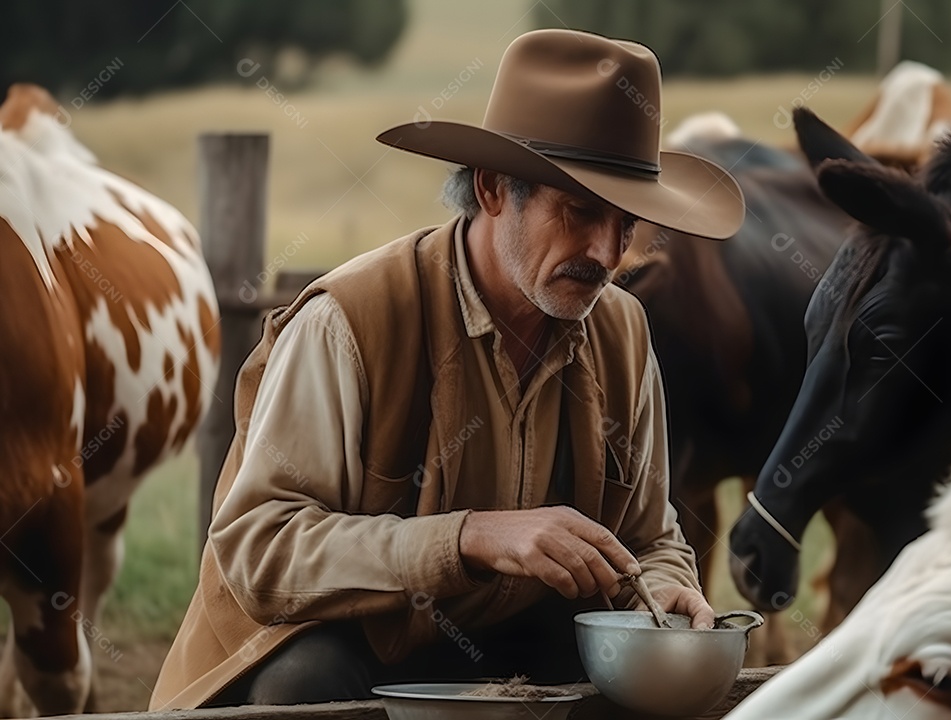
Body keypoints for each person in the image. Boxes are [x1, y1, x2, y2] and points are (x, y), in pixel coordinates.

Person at [150, 27, 745, 709]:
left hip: (512, 638)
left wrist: (667, 585)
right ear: (494, 189)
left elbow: (649, 532)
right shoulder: (349, 322)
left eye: (627, 223)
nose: (608, 252)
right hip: (346, 642)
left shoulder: (622, 329)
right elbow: (259, 550)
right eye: (580, 212)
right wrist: (469, 537)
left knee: (626, 678)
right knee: (303, 686)